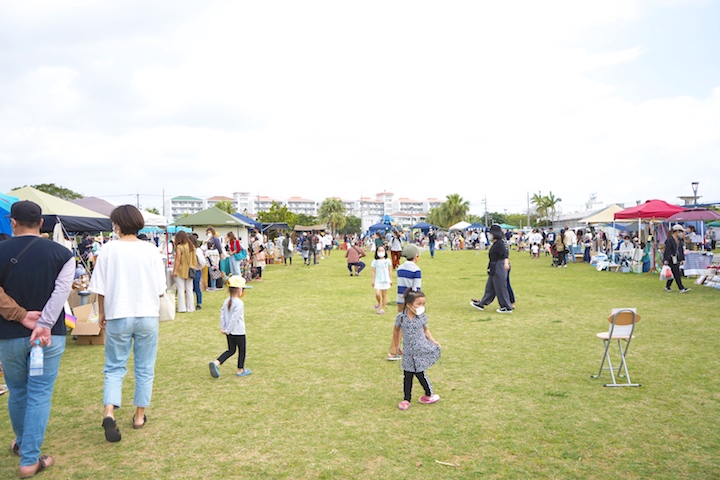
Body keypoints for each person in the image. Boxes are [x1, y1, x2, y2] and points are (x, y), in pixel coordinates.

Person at [0, 200, 73, 478]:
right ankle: (30, 458)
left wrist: (20, 316)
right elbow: (61, 291)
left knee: (17, 392)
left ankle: (23, 446)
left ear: (13, 222)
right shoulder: (61, 253)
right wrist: (43, 323)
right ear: (42, 223)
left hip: (8, 334)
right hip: (48, 337)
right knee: (39, 394)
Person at [89, 205, 166, 443]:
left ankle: (109, 412)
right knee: (144, 367)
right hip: (146, 314)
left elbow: (100, 288)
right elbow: (161, 289)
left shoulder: (108, 249)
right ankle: (139, 416)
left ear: (118, 224)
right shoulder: (151, 251)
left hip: (118, 314)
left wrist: (102, 313)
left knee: (114, 367)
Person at [390, 290, 441, 410]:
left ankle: (429, 394)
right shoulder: (401, 317)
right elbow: (396, 330)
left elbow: (426, 330)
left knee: (420, 373)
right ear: (408, 304)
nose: (422, 307)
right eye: (419, 304)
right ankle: (406, 399)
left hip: (420, 349)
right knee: (407, 375)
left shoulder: (422, 317)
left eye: (423, 304)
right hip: (408, 352)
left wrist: (433, 340)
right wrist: (397, 345)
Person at [209, 276, 251, 378]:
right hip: (238, 332)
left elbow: (222, 315)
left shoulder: (226, 300)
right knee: (242, 350)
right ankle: (240, 370)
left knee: (231, 350)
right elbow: (234, 319)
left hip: (229, 332)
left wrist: (224, 328)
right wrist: (228, 330)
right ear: (239, 290)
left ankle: (217, 363)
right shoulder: (239, 303)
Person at [388, 243, 422, 360]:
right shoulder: (417, 270)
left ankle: (394, 351)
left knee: (400, 324)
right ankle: (401, 351)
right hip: (411, 302)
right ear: (416, 256)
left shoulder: (400, 268)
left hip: (400, 300)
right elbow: (416, 289)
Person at [470, 224, 513, 313]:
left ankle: (506, 306)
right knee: (490, 286)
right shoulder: (496, 243)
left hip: (499, 265)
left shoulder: (500, 243)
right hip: (494, 266)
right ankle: (482, 303)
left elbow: (505, 254)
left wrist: (505, 264)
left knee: (500, 286)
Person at [172, 231, 196, 313]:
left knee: (181, 290)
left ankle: (182, 308)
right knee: (189, 290)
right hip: (191, 269)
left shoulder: (179, 247)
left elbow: (178, 260)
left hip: (181, 270)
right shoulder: (191, 246)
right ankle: (191, 307)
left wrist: (174, 270)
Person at [664, 224, 690, 293]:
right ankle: (681, 288)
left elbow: (681, 250)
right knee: (677, 273)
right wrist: (666, 259)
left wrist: (682, 259)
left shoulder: (679, 240)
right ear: (677, 231)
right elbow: (667, 250)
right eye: (680, 231)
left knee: (674, 273)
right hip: (671, 259)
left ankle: (668, 286)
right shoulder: (669, 240)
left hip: (677, 259)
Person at [371, 245, 392, 315]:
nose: (381, 252)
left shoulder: (387, 261)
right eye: (379, 250)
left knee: (384, 295)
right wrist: (372, 280)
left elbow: (390, 270)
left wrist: (390, 280)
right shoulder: (375, 261)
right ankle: (379, 302)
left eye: (382, 250)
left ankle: (383, 308)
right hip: (378, 280)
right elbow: (373, 271)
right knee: (377, 294)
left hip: (385, 279)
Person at [190, 235, 207, 310]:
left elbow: (202, 261)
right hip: (194, 270)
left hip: (196, 270)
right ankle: (194, 303)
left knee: (196, 287)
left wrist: (199, 267)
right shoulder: (194, 250)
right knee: (191, 287)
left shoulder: (197, 250)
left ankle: (199, 303)